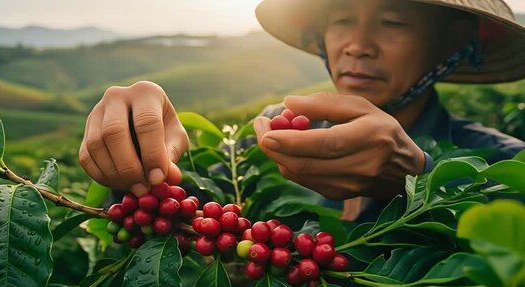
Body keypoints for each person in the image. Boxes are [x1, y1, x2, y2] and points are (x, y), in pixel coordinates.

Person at [78, 0, 525, 221]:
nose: (358, 45)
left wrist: (422, 177)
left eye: (393, 23)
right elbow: (193, 212)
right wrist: (142, 160)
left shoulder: (504, 164)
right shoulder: (277, 132)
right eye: (342, 19)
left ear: (450, 45)